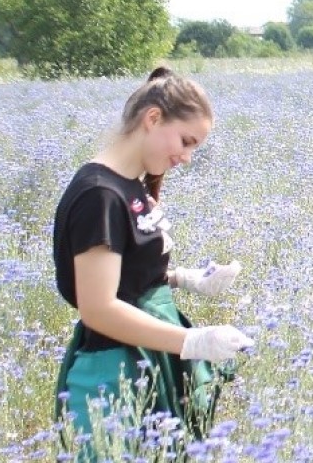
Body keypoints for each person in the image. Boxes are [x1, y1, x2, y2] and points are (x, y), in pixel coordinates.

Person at [51, 67, 253, 458]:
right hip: (113, 377)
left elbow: (127, 277)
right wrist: (194, 341)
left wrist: (184, 279)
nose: (188, 157)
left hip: (144, 360)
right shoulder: (100, 196)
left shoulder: (130, 186)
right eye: (186, 141)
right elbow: (99, 309)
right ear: (153, 118)